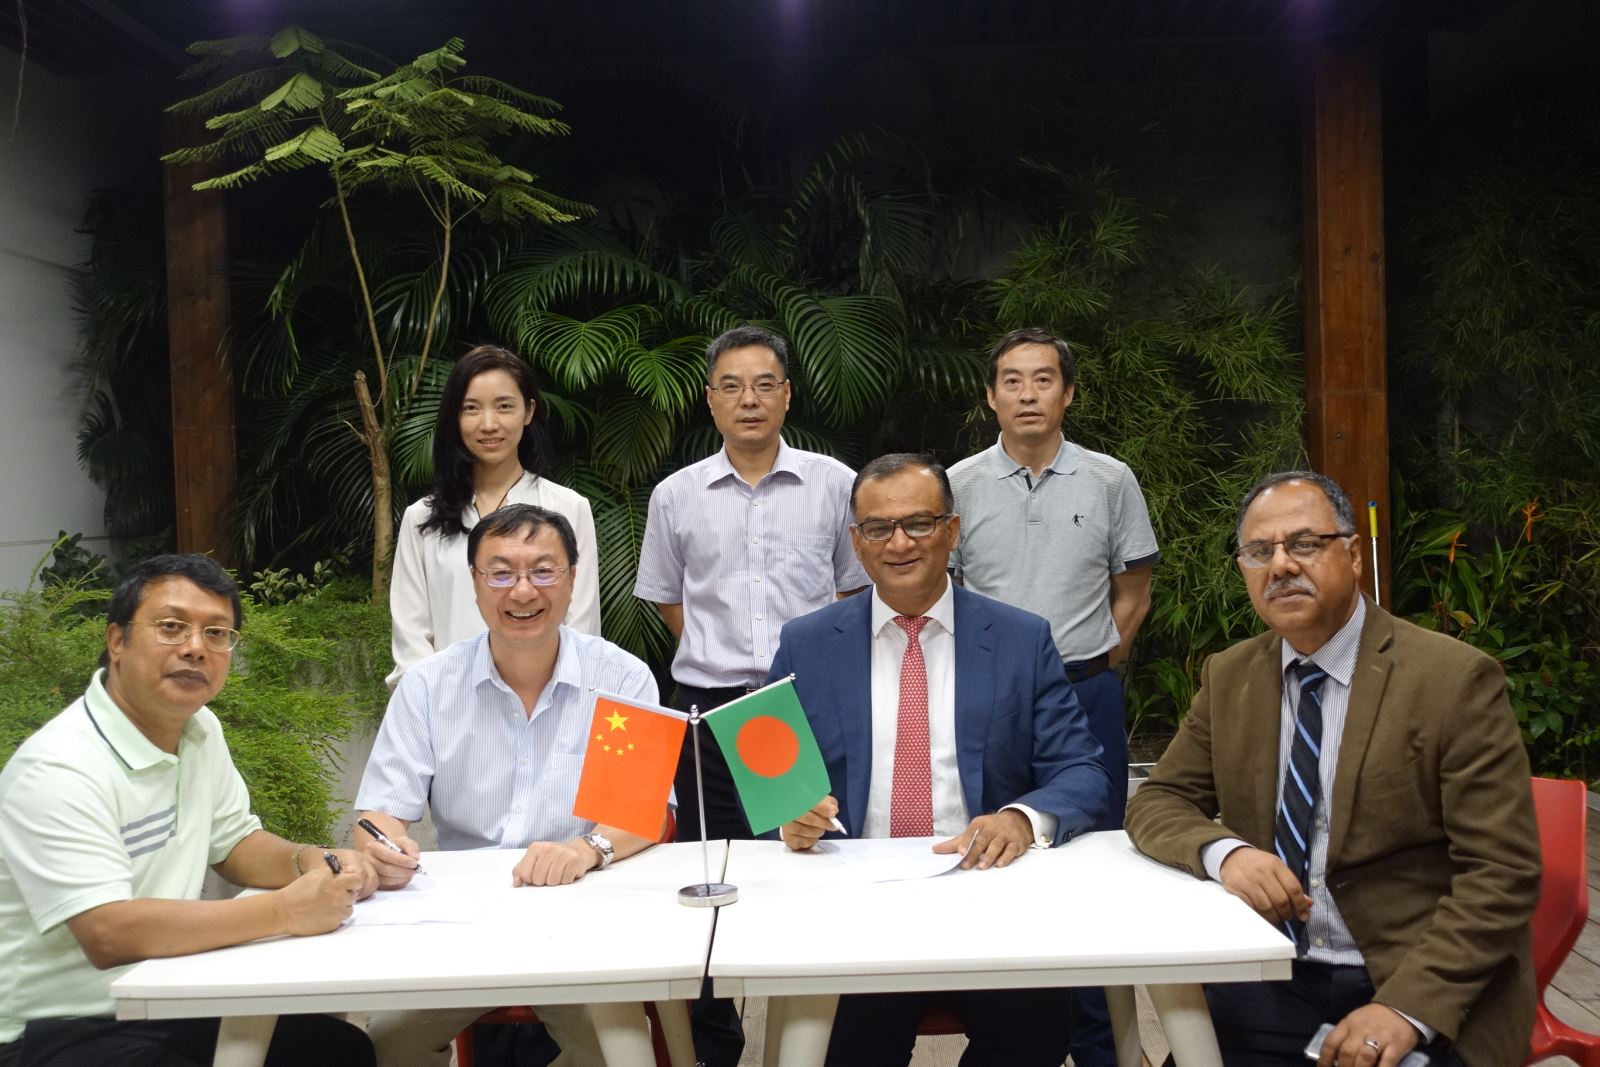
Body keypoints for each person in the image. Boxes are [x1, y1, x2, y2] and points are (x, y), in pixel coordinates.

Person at [1125, 471, 1541, 1067]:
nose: (1281, 565)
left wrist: (1405, 1009)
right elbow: (1158, 799)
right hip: (1270, 973)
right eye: (1259, 552)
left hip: (1406, 979)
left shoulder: (1452, 680)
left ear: (1353, 556)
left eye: (1304, 544)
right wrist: (1226, 853)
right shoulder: (1231, 675)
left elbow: (1502, 871)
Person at [774, 453, 1113, 1067]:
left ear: (952, 531)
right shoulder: (807, 643)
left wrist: (1019, 819)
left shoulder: (1020, 638)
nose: (899, 543)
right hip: (853, 900)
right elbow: (770, 777)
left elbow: (1081, 771)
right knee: (846, 1048)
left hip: (989, 888)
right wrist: (788, 817)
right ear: (857, 542)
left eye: (919, 523)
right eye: (878, 528)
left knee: (1034, 1034)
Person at [0, 554, 376, 1067]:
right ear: (117, 640)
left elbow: (235, 844)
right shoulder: (59, 766)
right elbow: (108, 932)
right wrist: (286, 911)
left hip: (166, 994)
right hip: (54, 1030)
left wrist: (312, 860)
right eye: (172, 627)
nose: (196, 647)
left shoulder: (200, 730)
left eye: (216, 633)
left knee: (339, 1051)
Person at [357, 504, 667, 1067]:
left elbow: (643, 811)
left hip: (586, 912)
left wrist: (585, 850)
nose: (523, 591)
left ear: (572, 579)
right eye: (500, 573)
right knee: (385, 1040)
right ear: (475, 584)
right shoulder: (428, 686)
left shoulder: (622, 678)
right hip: (460, 920)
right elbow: (379, 813)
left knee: (613, 1048)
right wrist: (383, 846)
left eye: (543, 571)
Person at [633, 325, 867, 1065]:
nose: (749, 400)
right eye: (731, 386)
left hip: (802, 708)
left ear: (788, 395)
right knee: (708, 880)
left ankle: (806, 1036)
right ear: (710, 401)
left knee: (808, 865)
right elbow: (669, 599)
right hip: (707, 712)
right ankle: (715, 1045)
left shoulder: (835, 483)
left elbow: (852, 591)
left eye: (765, 384)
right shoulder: (676, 495)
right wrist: (722, 660)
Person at [948, 327, 1158, 1067]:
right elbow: (946, 594)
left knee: (1095, 867)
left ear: (1068, 393)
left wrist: (1102, 660)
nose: (1027, 394)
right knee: (1002, 851)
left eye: (1043, 379)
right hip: (989, 705)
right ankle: (1010, 1034)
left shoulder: (1110, 479)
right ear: (990, 396)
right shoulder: (958, 483)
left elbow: (1134, 588)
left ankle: (1101, 1046)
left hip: (1085, 691)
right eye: (1011, 380)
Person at [388, 344, 601, 687]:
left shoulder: (568, 508)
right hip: (448, 708)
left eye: (504, 406)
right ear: (455, 417)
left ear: (528, 411)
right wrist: (435, 707)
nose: (488, 424)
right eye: (471, 408)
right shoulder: (421, 520)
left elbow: (581, 630)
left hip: (545, 706)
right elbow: (411, 644)